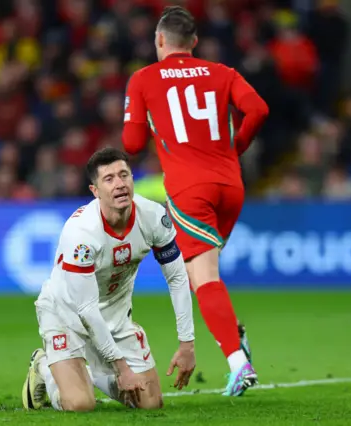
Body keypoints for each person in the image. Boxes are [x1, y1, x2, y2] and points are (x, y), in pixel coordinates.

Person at [121, 6, 269, 396]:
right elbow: (258, 109)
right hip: (231, 187)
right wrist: (235, 148)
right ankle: (233, 333)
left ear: (159, 40)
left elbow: (132, 144)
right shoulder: (223, 73)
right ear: (195, 43)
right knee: (196, 273)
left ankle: (238, 362)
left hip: (190, 189)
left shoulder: (143, 79)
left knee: (204, 278)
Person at [22, 148, 196, 412]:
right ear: (95, 190)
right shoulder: (81, 233)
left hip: (114, 318)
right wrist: (122, 368)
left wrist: (187, 344)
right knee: (80, 404)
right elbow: (86, 309)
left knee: (150, 403)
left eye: (124, 175)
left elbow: (177, 277)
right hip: (67, 316)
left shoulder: (153, 218)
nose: (120, 184)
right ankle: (45, 366)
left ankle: (84, 375)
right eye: (109, 179)